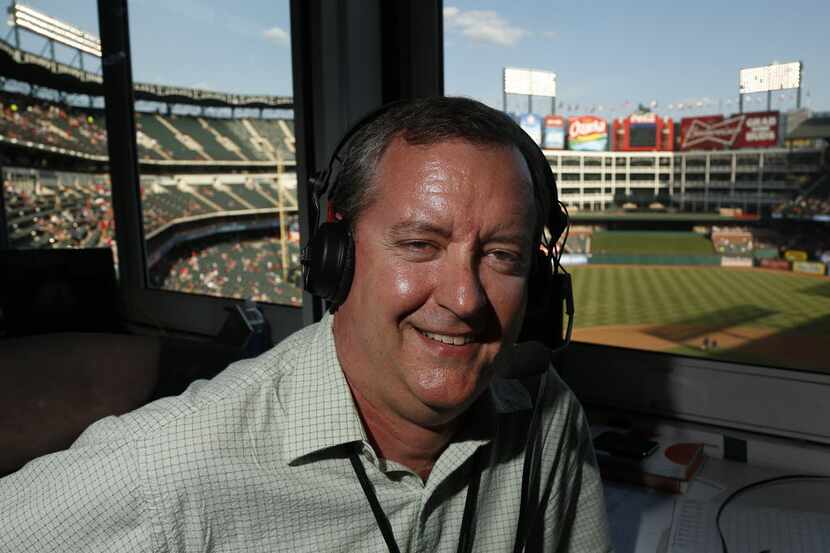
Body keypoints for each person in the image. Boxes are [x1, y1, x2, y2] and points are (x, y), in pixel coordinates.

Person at [0, 97, 611, 552]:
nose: (464, 298)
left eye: (502, 256)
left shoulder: (548, 418)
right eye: (420, 244)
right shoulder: (164, 466)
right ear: (335, 256)